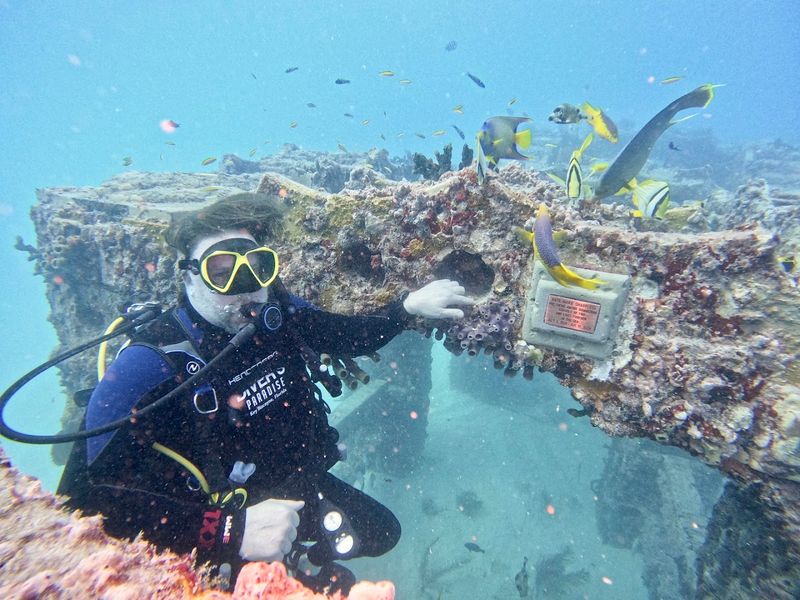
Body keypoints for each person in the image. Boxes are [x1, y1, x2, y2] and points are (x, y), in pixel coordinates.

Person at [58, 192, 472, 594]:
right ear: (187, 277)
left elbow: (345, 335)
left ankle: (295, 563)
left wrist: (406, 309)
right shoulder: (149, 363)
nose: (246, 287)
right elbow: (80, 503)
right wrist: (228, 530)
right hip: (209, 520)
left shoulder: (278, 313)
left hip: (292, 484)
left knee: (382, 532)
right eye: (221, 272)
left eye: (257, 266)